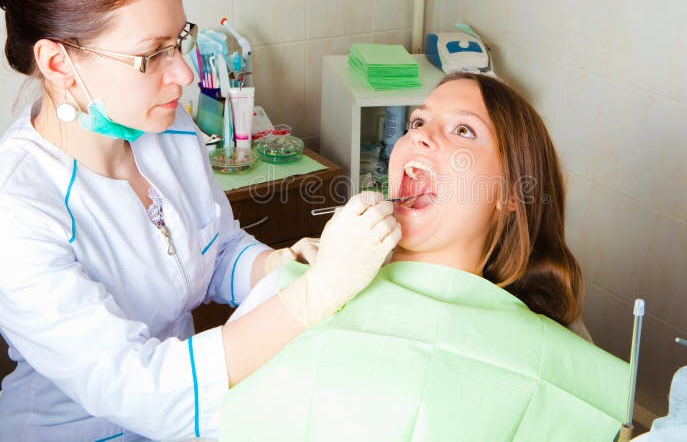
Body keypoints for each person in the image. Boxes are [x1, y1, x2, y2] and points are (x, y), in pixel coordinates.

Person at [0, 0, 400, 440]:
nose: (184, 74)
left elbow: (213, 253)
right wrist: (314, 297)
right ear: (57, 65)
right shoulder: (18, 210)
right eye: (153, 55)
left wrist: (278, 264)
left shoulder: (169, 131)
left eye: (179, 40)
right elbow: (141, 389)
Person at [221, 72, 630, 441]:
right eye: (418, 121)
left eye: (464, 130)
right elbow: (198, 400)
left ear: (511, 193)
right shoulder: (307, 283)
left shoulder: (547, 358)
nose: (420, 134)